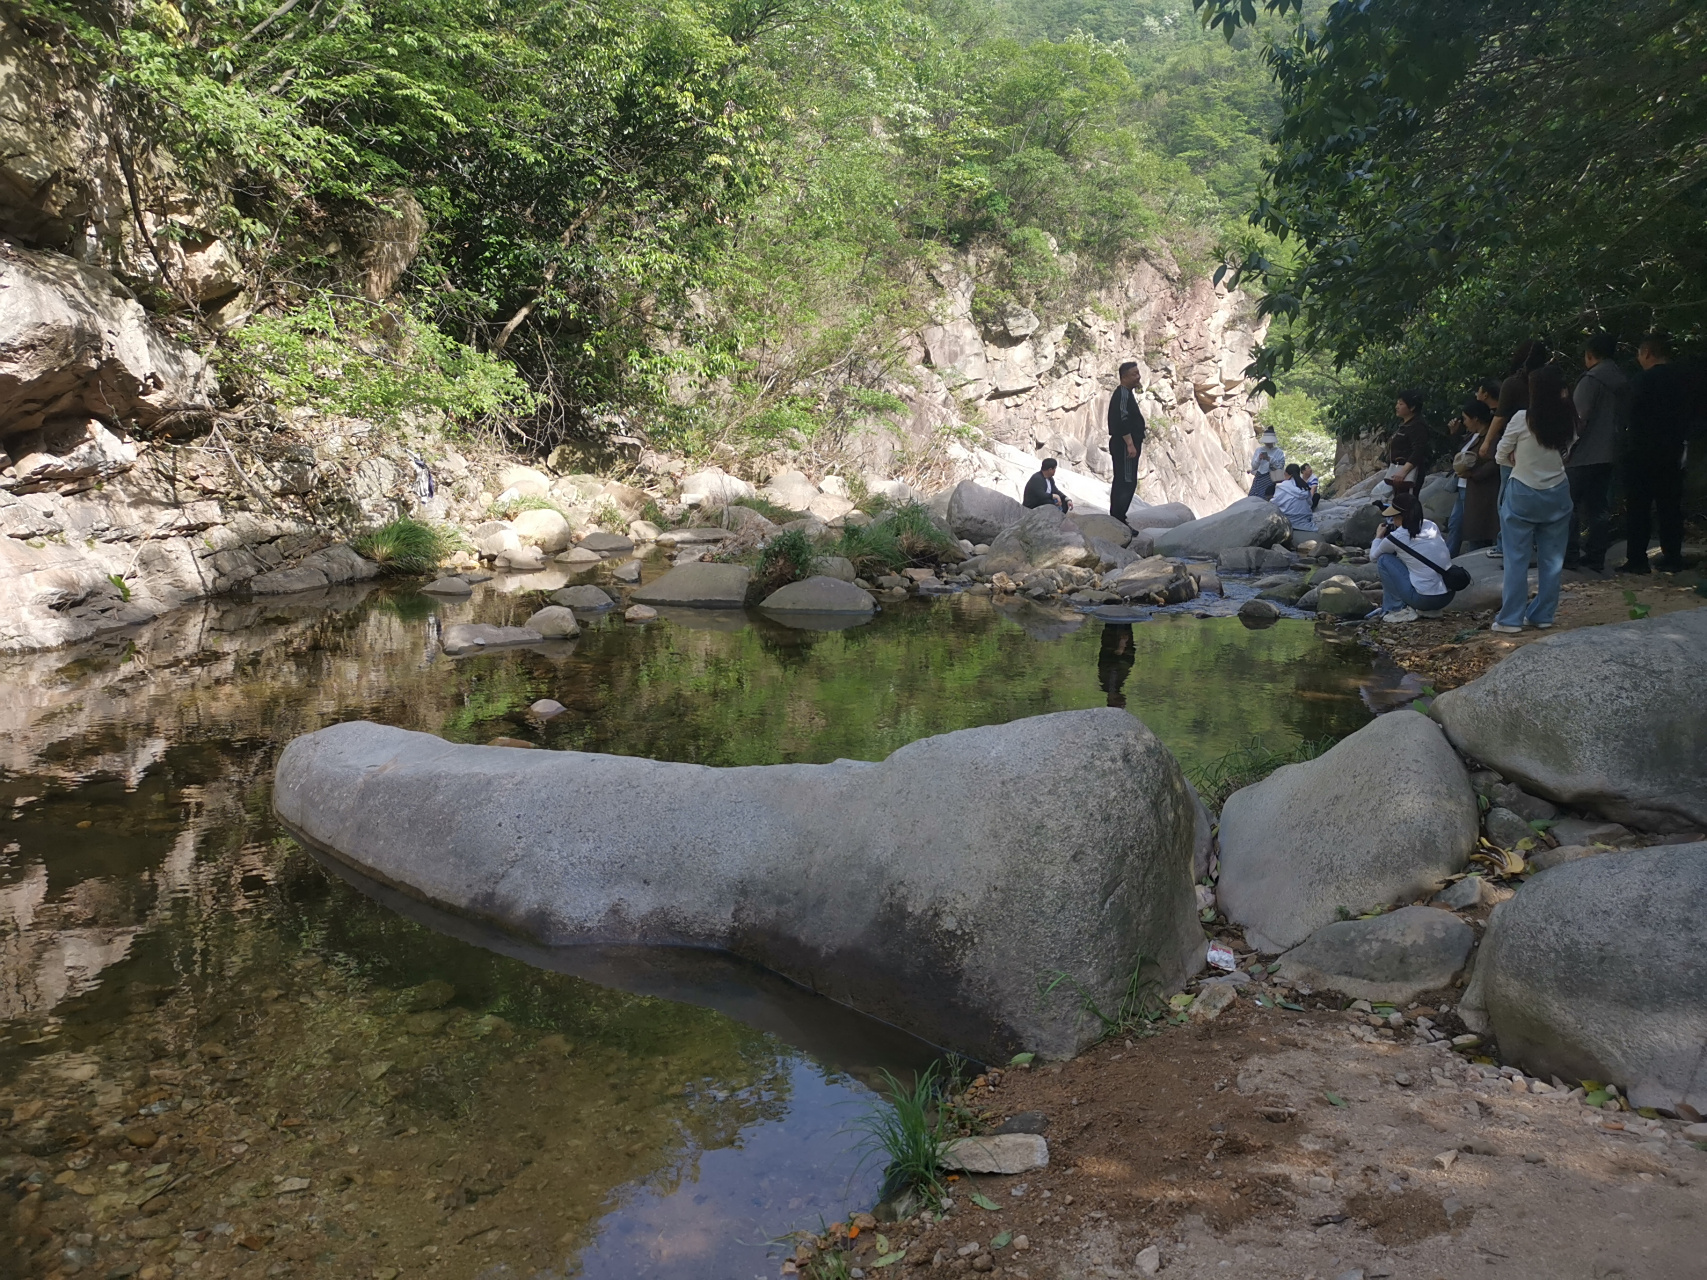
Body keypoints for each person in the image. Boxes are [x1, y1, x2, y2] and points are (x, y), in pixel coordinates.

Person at [1491, 362, 1576, 632]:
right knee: (1552, 560)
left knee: (1516, 558)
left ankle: (1510, 620)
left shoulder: (1521, 418)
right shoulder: (1569, 418)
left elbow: (1499, 455)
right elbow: (1567, 452)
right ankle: (1543, 615)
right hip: (1558, 493)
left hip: (1523, 492)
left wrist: (1517, 460)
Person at [1619, 331, 1688, 574]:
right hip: (1674, 451)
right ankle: (1673, 556)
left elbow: (1628, 414)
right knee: (1670, 507)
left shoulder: (1641, 381)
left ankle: (1637, 559)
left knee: (1639, 508)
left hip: (1641, 451)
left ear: (1647, 353)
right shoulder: (1685, 379)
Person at [1483, 339, 1551, 557]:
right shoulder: (1549, 382)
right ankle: (1536, 544)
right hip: (1544, 445)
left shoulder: (1513, 383)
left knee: (1507, 498)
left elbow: (1500, 417)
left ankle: (1506, 545)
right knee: (1538, 496)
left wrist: (1486, 443)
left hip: (1515, 446)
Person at [1566, 331, 1628, 572]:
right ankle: (1596, 557)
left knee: (1568, 506)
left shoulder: (1591, 380)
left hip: (1583, 455)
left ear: (1589, 355)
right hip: (1609, 452)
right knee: (1599, 508)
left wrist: (1566, 449)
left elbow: (1578, 419)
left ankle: (1569, 555)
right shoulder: (1622, 380)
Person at [1370, 491, 1456, 621]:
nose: (1392, 520)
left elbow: (1373, 557)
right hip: (1448, 595)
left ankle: (1394, 608)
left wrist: (1378, 537)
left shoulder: (1396, 537)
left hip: (1424, 600)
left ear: (1401, 517)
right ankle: (1431, 611)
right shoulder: (1431, 525)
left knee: (1384, 559)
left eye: (1394, 516)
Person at [1457, 400, 1501, 553]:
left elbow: (1495, 462)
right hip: (1471, 488)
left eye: (1465, 419)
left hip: (1484, 491)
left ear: (1475, 418)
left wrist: (1473, 474)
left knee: (1481, 530)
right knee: (1468, 529)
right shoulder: (1475, 436)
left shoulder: (1492, 438)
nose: (1464, 423)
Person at [1106, 361, 1146, 521]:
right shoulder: (1122, 394)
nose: (1138, 377)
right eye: (1134, 374)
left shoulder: (1127, 393)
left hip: (1127, 443)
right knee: (1126, 481)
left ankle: (1119, 517)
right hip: (1124, 444)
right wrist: (1130, 444)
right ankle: (1118, 517)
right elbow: (1122, 418)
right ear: (1124, 377)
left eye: (1138, 373)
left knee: (1125, 479)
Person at [1392, 389, 1432, 485]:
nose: (1397, 407)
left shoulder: (1417, 426)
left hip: (1409, 474)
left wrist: (1404, 471)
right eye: (1397, 403)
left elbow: (1418, 450)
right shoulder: (1405, 425)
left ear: (1412, 407)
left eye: (1401, 404)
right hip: (1398, 470)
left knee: (1407, 499)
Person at [1270, 462, 1318, 532]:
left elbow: (1275, 503)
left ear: (1287, 474)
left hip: (1288, 521)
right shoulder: (1304, 487)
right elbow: (1310, 503)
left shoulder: (1282, 486)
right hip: (1305, 522)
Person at [1098, 622, 1135, 708]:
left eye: (1118, 701)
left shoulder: (1111, 685)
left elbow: (1112, 667)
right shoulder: (1112, 686)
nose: (1124, 700)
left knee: (1119, 622)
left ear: (1110, 699)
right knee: (1116, 622)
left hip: (1117, 646)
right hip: (1117, 647)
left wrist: (1121, 646)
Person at [1248, 429, 1285, 499]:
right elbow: (1254, 466)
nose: (1267, 443)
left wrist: (1270, 459)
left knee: (1266, 497)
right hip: (1259, 476)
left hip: (1271, 478)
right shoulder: (1259, 450)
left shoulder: (1279, 452)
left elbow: (1280, 467)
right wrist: (1259, 458)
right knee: (1253, 496)